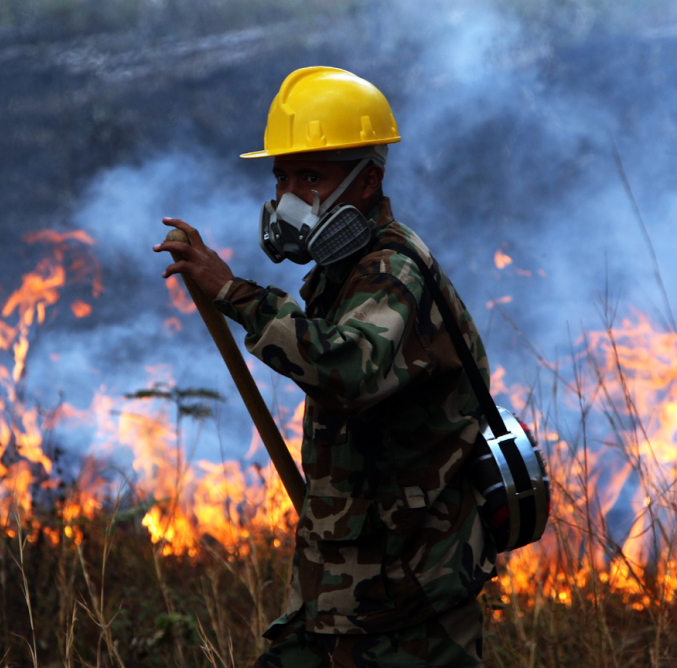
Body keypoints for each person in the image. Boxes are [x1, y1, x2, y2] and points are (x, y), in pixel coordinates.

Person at [153, 66, 496, 667]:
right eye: (282, 175)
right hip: (346, 592)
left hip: (406, 603)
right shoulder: (343, 272)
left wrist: (234, 292)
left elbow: (348, 366)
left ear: (368, 182)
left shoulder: (392, 271)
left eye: (312, 176)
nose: (289, 196)